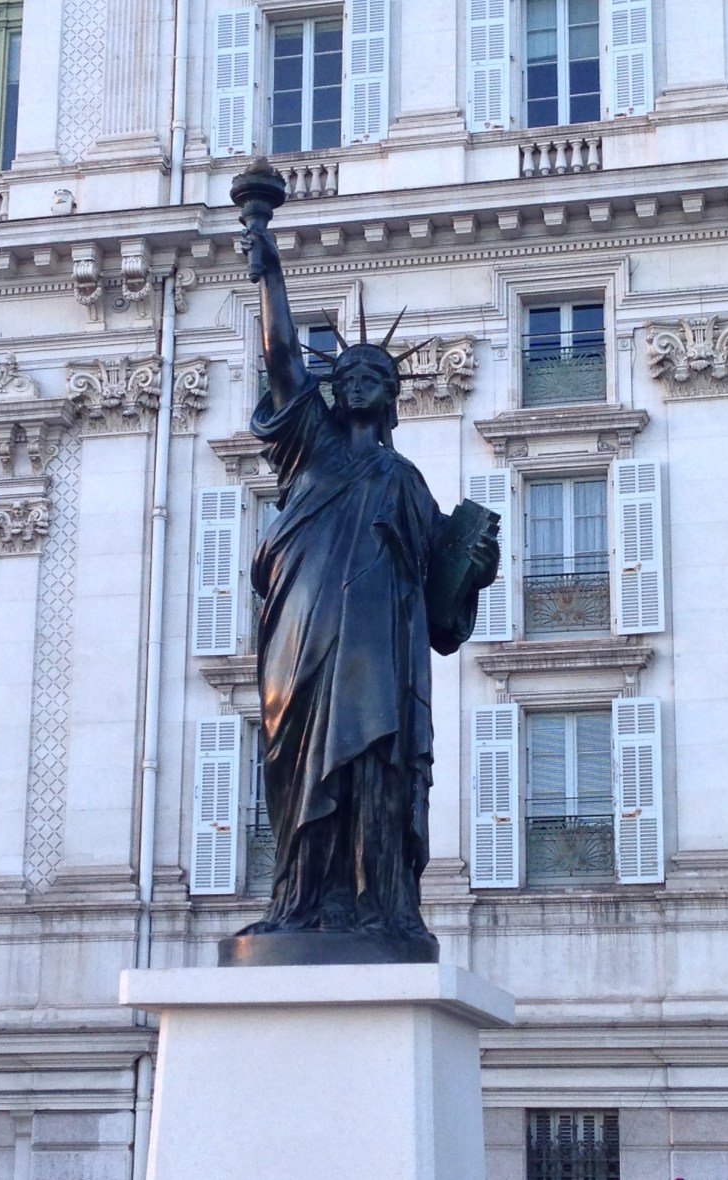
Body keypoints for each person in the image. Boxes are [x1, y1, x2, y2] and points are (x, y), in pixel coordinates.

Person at [243, 226, 499, 958]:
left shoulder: (406, 482)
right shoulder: (309, 446)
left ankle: (380, 908)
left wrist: (471, 567)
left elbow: (441, 620)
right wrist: (268, 272)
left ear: (392, 398)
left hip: (380, 652)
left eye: (374, 374)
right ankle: (296, 902)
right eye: (348, 371)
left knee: (377, 771)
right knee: (296, 768)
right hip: (303, 632)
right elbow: (283, 356)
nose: (357, 377)